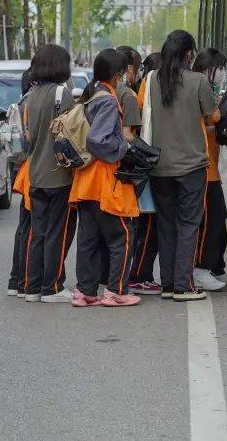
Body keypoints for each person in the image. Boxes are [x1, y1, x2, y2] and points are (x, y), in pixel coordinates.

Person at [144, 31, 219, 302]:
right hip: (191, 166)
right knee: (188, 224)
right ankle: (183, 286)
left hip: (159, 166)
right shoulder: (198, 80)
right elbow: (213, 115)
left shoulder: (150, 79)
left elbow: (143, 112)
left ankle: (167, 284)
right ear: (189, 54)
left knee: (166, 225)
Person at [70, 48, 140, 308]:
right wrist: (123, 147)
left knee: (88, 239)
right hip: (104, 181)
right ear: (117, 75)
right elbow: (97, 140)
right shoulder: (109, 101)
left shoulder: (90, 95)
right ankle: (116, 291)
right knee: (122, 234)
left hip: (85, 181)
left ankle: (84, 291)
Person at [20, 44, 78, 303]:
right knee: (57, 232)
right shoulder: (62, 94)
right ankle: (52, 287)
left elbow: (29, 137)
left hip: (36, 173)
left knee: (37, 232)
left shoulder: (30, 96)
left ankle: (32, 287)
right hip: (59, 174)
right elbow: (71, 133)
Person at [191, 48, 227, 291]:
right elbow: (214, 117)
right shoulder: (198, 86)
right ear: (210, 68)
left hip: (211, 166)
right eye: (220, 69)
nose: (222, 74)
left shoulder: (203, 87)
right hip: (203, 166)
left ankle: (216, 268)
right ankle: (201, 269)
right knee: (211, 220)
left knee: (219, 220)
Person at [127, 51, 161, 295]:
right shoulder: (142, 93)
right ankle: (139, 274)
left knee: (145, 225)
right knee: (148, 225)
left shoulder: (141, 90)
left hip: (142, 169)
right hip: (145, 170)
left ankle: (140, 273)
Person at [7, 69, 34, 298]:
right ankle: (23, 280)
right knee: (29, 228)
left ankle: (16, 279)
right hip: (32, 170)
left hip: (24, 170)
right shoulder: (30, 103)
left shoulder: (22, 102)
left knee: (24, 227)